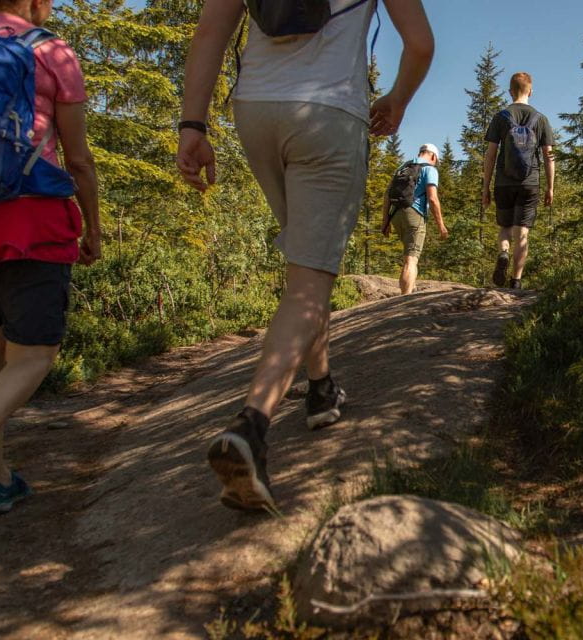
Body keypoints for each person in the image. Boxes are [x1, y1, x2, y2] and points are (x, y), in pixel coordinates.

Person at [176, 0, 434, 512]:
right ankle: (251, 425)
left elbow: (210, 32)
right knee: (310, 280)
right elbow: (421, 44)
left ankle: (321, 388)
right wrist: (398, 99)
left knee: (305, 268)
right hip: (328, 114)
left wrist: (193, 126)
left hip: (256, 111)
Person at [0, 0, 101, 519]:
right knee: (32, 355)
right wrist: (93, 225)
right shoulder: (50, 49)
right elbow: (77, 159)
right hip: (31, 218)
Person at [481, 71, 555, 290]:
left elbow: (491, 155)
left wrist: (486, 187)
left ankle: (503, 253)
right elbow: (549, 156)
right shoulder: (541, 119)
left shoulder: (500, 117)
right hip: (529, 182)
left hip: (504, 182)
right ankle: (516, 281)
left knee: (504, 227)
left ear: (510, 91)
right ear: (530, 91)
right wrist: (550, 187)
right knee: (522, 232)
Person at [381, 143, 448, 295]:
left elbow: (387, 195)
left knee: (408, 258)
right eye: (436, 161)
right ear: (433, 156)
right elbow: (432, 199)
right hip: (415, 215)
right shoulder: (429, 169)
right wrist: (441, 226)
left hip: (396, 214)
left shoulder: (402, 167)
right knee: (411, 260)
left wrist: (385, 221)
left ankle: (409, 289)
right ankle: (404, 301)